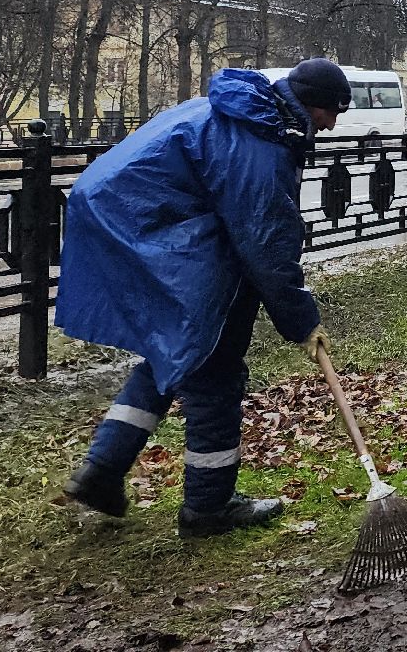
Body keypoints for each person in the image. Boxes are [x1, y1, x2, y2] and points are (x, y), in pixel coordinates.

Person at [58, 58, 350, 538]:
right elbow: (266, 244)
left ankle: (101, 471)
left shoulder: (245, 113)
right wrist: (301, 321)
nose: (331, 125)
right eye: (330, 113)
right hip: (152, 231)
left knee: (173, 350)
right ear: (309, 103)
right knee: (214, 369)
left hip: (131, 219)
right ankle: (208, 507)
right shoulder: (259, 142)